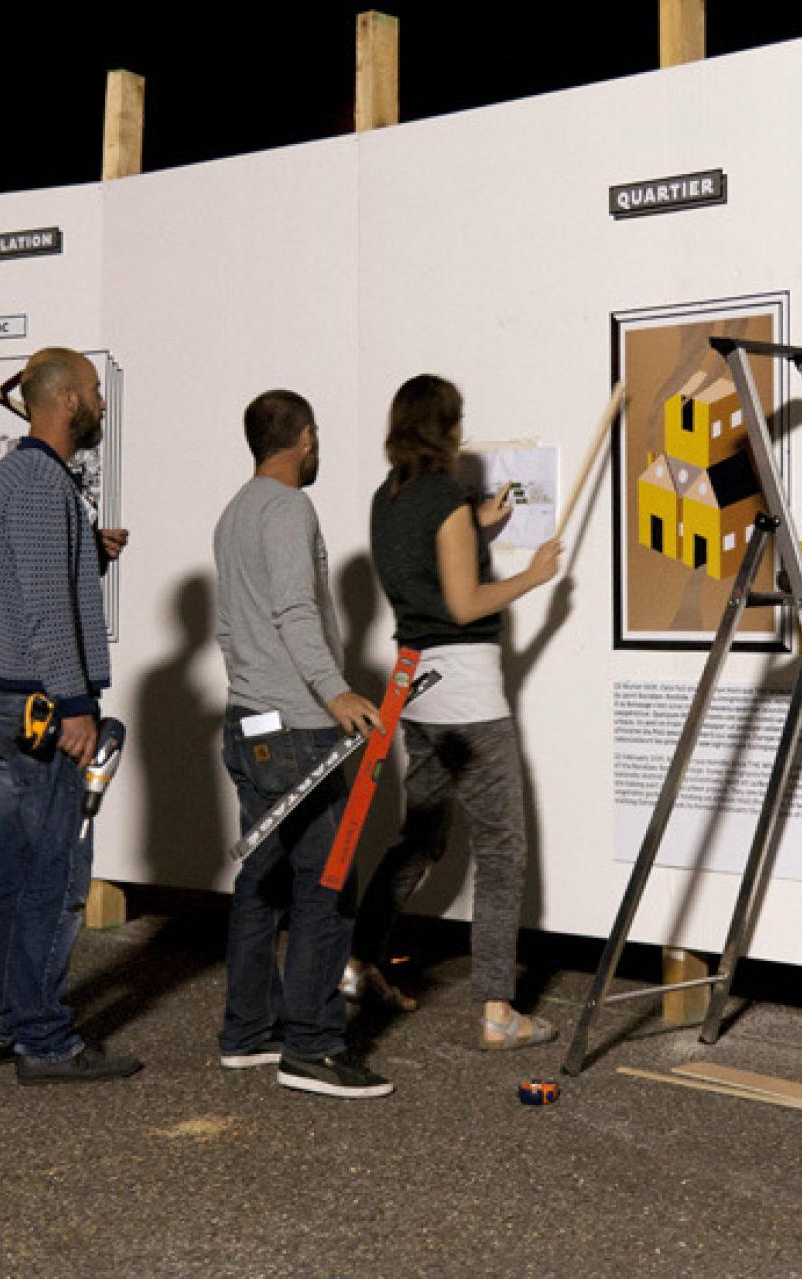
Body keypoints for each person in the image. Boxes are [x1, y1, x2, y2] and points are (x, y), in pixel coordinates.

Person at [352, 374, 563, 1051]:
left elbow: (428, 561)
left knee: (420, 836)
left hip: (416, 688)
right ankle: (498, 1010)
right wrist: (533, 575)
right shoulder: (444, 496)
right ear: (444, 427)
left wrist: (481, 526)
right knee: (502, 848)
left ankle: (357, 962)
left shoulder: (389, 500)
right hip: (470, 694)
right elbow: (467, 604)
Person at [213, 389, 393, 1098]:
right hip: (296, 727)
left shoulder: (235, 511)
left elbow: (235, 628)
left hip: (248, 721)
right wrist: (334, 690)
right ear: (306, 438)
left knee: (261, 881)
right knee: (327, 884)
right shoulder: (290, 508)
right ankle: (313, 1048)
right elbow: (293, 609)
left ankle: (249, 1032)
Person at [0, 347, 140, 1084]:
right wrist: (74, 708)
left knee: (13, 862)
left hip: (9, 703)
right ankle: (42, 1036)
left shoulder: (11, 477)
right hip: (44, 709)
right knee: (58, 871)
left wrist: (83, 552)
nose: (102, 402)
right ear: (67, 401)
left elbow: (21, 576)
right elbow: (42, 611)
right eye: (95, 392)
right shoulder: (42, 481)